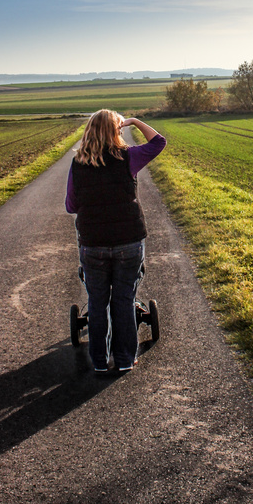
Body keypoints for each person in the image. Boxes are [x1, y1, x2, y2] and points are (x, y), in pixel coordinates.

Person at [65, 110, 166, 373]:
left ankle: (99, 361)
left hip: (93, 243)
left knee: (97, 302)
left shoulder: (78, 164)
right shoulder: (128, 158)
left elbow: (71, 205)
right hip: (128, 241)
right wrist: (133, 121)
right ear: (116, 130)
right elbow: (158, 143)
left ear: (89, 131)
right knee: (123, 299)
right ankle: (124, 360)